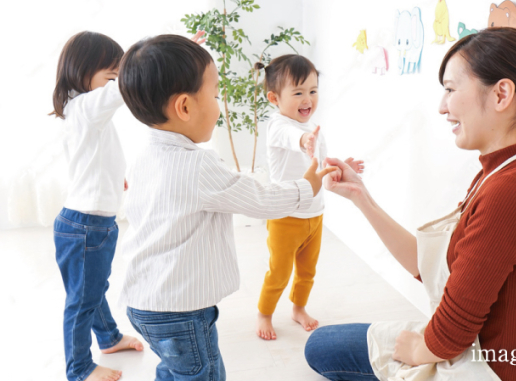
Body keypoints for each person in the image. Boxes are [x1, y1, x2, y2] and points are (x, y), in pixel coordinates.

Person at [304, 28, 516, 381]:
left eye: (451, 89)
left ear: (501, 94)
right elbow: (429, 266)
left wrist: (417, 351)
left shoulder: (511, 191)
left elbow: (452, 336)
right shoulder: (507, 171)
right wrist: (360, 196)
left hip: (483, 370)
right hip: (471, 351)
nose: (442, 106)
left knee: (322, 349)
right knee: (323, 344)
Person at [117, 35, 336, 380]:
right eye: (216, 95)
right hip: (180, 309)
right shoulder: (198, 166)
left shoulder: (144, 154)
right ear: (185, 107)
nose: (219, 104)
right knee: (204, 373)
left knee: (175, 368)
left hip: (142, 301)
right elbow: (258, 198)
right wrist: (307, 186)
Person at [50, 31, 144, 381]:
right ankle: (79, 368)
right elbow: (122, 89)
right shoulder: (88, 107)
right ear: (83, 68)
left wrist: (114, 178)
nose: (118, 77)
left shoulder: (79, 110)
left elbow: (90, 159)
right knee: (82, 300)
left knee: (92, 289)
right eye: (112, 71)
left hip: (85, 223)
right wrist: (158, 55)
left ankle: (109, 338)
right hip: (87, 226)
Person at [254, 55, 364, 340]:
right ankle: (264, 313)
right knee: (279, 272)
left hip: (314, 214)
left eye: (313, 91)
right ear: (274, 98)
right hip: (285, 216)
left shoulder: (314, 129)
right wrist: (305, 141)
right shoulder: (279, 125)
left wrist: (341, 168)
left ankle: (298, 308)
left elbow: (321, 172)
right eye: (298, 92)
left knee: (307, 271)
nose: (308, 99)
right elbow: (293, 138)